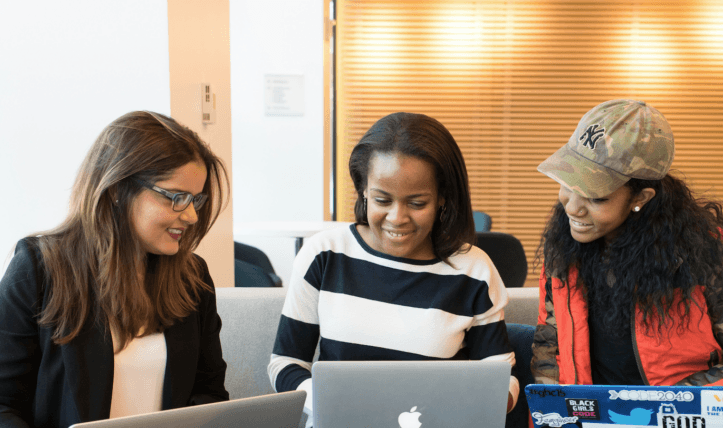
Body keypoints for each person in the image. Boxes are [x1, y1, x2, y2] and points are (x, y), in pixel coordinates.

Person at [0, 111, 230, 427]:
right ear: (116, 189)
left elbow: (209, 395)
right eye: (176, 197)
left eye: (195, 200)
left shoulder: (192, 278)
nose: (191, 216)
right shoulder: (39, 268)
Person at [267, 112, 519, 427]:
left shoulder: (473, 271)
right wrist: (331, 405)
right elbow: (285, 365)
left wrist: (488, 401)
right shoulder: (324, 254)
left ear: (442, 198)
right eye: (382, 200)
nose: (397, 218)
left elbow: (502, 377)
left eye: (416, 203)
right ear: (362, 191)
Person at [531, 99, 723, 388]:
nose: (572, 207)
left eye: (596, 197)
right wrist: (552, 409)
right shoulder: (563, 247)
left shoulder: (705, 250)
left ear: (640, 198)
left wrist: (674, 402)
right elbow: (549, 340)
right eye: (568, 185)